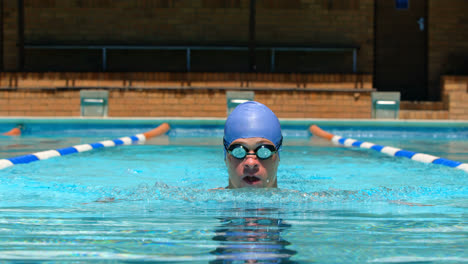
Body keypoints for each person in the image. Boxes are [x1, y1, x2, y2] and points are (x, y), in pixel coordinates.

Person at [223, 101, 282, 189]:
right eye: (239, 151)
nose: (250, 163)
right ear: (226, 157)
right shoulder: (207, 201)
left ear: (278, 156)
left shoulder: (302, 201)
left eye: (264, 151)